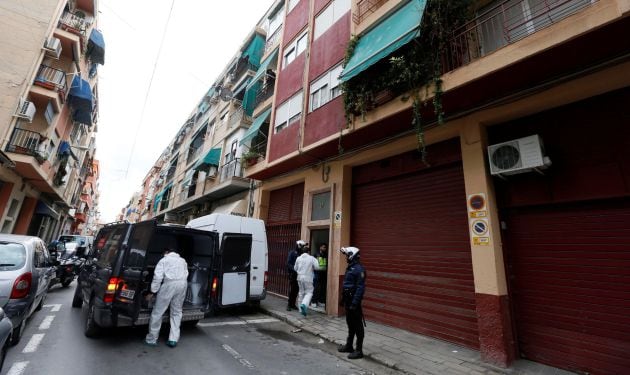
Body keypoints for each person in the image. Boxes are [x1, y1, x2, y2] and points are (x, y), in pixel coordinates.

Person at [144, 247, 189, 348]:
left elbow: (157, 277)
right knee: (177, 312)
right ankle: (173, 339)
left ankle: (152, 339)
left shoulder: (164, 260)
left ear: (166, 252)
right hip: (182, 284)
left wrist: (152, 291)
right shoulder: (183, 260)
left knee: (158, 312)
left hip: (169, 284)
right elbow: (186, 273)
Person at [337, 246, 366, 359]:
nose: (346, 257)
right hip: (348, 301)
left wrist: (355, 303)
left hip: (354, 303)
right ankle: (349, 346)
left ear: (352, 255)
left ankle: (359, 351)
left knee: (358, 326)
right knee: (350, 324)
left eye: (347, 255)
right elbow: (347, 286)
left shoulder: (359, 270)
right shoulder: (350, 267)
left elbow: (360, 288)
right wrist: (343, 299)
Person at [294, 244, 320, 317]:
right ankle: (304, 304)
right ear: (309, 252)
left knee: (301, 292)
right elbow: (317, 267)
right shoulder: (312, 258)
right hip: (308, 278)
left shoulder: (298, 258)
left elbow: (295, 268)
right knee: (309, 292)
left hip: (299, 277)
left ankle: (300, 309)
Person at [286, 240, 305, 311]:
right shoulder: (292, 253)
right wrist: (295, 269)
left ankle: (293, 304)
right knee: (292, 290)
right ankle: (289, 304)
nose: (302, 247)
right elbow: (288, 263)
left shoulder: (302, 254)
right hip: (293, 274)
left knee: (297, 290)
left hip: (300, 274)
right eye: (301, 246)